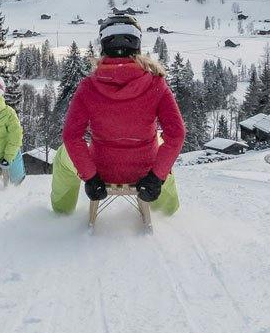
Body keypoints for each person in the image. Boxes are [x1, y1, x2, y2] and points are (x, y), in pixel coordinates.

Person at [50, 14, 185, 216]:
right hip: (145, 170)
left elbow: (72, 136)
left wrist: (89, 176)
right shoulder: (156, 84)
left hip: (100, 168)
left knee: (63, 154)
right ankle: (166, 212)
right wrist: (157, 176)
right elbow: (176, 134)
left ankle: (62, 212)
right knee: (161, 147)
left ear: (103, 46)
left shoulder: (88, 87)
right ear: (137, 45)